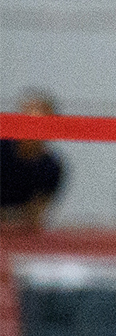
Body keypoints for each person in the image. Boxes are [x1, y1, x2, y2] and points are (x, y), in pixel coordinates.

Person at [0, 91, 64, 233]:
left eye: (40, 123)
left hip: (16, 237)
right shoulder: (2, 149)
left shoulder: (50, 167)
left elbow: (35, 217)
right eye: (27, 119)